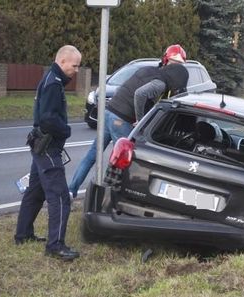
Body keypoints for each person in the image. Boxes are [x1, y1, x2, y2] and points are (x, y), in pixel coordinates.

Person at [68, 44, 188, 198]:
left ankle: (71, 191)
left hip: (109, 112)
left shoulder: (147, 71)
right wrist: (139, 119)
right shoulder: (160, 82)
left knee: (92, 155)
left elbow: (126, 88)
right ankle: (106, 198)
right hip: (121, 119)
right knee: (120, 162)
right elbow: (140, 94)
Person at [15, 45, 82, 261]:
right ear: (62, 61)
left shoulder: (50, 78)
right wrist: (66, 130)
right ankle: (56, 245)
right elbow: (48, 119)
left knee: (35, 191)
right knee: (60, 197)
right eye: (75, 65)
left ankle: (23, 234)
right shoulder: (53, 84)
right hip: (48, 147)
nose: (77, 70)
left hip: (40, 145)